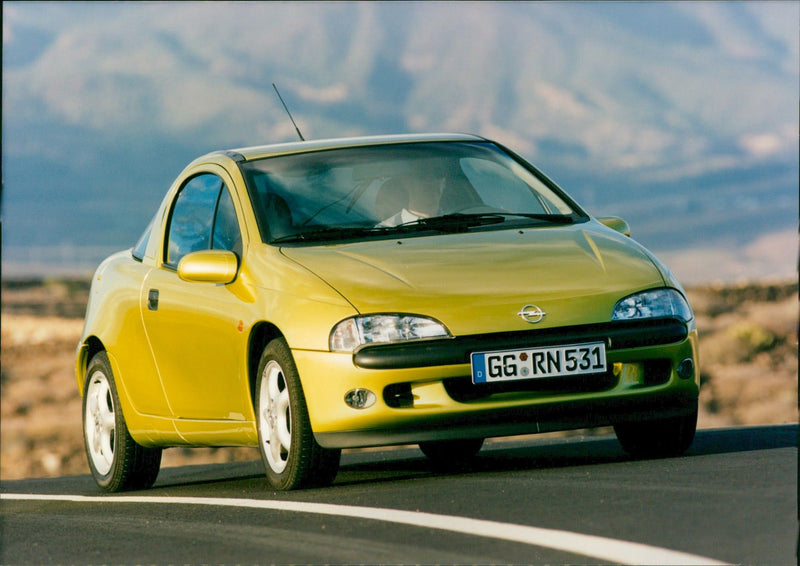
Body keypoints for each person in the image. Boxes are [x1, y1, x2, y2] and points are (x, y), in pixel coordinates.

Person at [376, 174, 443, 227]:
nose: (432, 182)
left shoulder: (452, 226)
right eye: (422, 177)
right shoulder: (385, 232)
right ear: (406, 183)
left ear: (444, 183)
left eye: (438, 175)